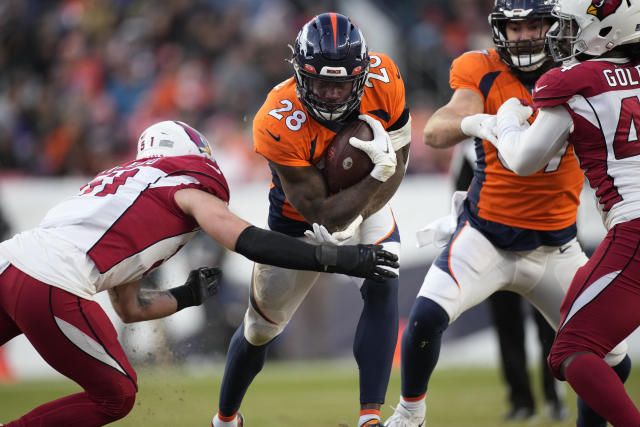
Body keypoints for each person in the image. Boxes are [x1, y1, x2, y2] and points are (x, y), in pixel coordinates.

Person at [0, 120, 399, 427]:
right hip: (49, 280)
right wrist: (340, 258)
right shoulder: (184, 184)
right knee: (116, 394)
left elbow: (130, 307)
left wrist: (188, 295)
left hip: (8, 265)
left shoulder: (116, 187)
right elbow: (249, 241)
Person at [384, 1, 630, 426]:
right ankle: (410, 414)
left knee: (611, 360)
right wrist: (475, 123)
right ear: (501, 31)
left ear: (556, 27)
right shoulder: (481, 66)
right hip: (486, 237)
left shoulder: (577, 73)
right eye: (516, 27)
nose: (526, 36)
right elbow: (438, 129)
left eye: (536, 25)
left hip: (555, 245)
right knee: (425, 318)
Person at [211, 12, 411, 427]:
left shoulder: (385, 78)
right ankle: (225, 419)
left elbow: (399, 160)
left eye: (341, 84)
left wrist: (369, 202)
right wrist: (375, 175)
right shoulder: (276, 119)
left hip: (367, 201)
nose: (333, 96)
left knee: (383, 280)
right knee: (260, 329)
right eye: (321, 83)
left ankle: (370, 416)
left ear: (361, 76)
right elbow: (320, 214)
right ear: (301, 75)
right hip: (298, 224)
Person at [487, 0, 640, 424]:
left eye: (572, 27)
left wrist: (505, 121)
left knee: (571, 351)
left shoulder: (577, 81)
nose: (561, 36)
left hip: (635, 231)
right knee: (590, 347)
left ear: (607, 29)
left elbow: (522, 161)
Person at [450, 139, 567, 421]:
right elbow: (460, 198)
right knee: (508, 326)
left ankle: (554, 398)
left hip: (540, 247)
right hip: (495, 248)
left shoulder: (538, 137)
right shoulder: (471, 150)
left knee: (549, 327)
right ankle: (522, 401)